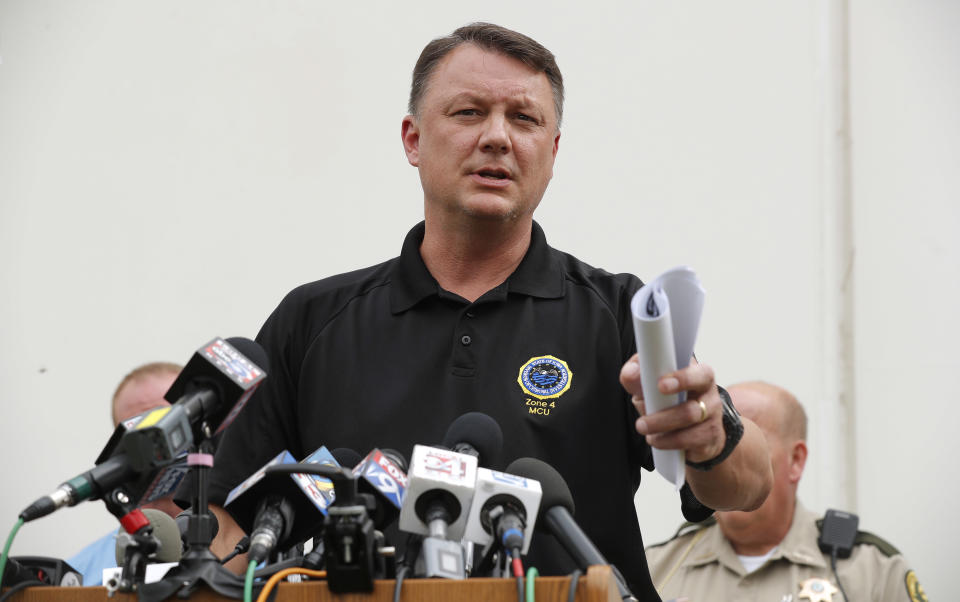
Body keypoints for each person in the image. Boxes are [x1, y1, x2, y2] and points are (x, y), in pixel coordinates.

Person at [205, 23, 772, 599]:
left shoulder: (618, 310)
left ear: (552, 153)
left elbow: (747, 486)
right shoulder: (313, 320)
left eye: (524, 119)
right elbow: (228, 525)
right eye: (469, 112)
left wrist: (710, 436)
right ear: (412, 139)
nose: (498, 137)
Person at [645, 381, 926, 602]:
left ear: (796, 461)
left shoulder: (872, 572)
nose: (724, 456)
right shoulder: (654, 569)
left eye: (741, 440)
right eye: (714, 440)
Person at [67, 362, 182, 586]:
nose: (154, 450)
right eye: (138, 434)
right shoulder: (80, 574)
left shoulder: (256, 550)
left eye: (166, 425)